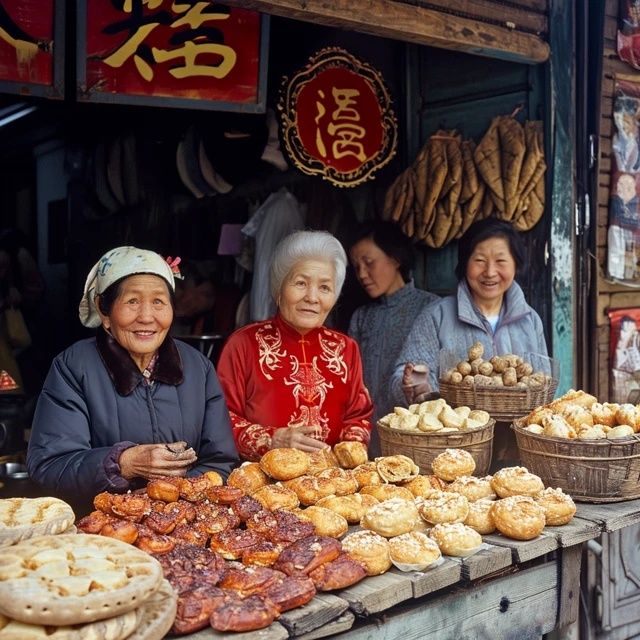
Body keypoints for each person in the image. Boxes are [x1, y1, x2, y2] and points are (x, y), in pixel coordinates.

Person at [27, 246, 239, 501]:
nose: (147, 317)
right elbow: (50, 467)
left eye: (159, 301)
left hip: (180, 525)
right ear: (104, 311)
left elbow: (220, 462)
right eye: (132, 301)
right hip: (100, 529)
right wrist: (123, 463)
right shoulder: (73, 367)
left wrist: (169, 501)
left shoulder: (198, 367)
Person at [217, 230, 373, 461]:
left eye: (324, 288)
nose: (312, 297)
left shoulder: (345, 348)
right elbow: (220, 418)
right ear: (279, 289)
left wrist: (347, 455)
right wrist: (272, 440)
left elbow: (358, 416)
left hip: (331, 487)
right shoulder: (243, 344)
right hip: (261, 485)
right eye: (301, 283)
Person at [392, 218, 548, 405]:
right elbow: (405, 374)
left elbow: (543, 384)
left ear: (516, 264)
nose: (490, 272)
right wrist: (416, 386)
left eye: (500, 261)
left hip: (515, 433)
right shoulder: (437, 316)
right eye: (480, 260)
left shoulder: (530, 321)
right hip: (457, 432)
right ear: (465, 263)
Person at [348, 220, 439, 454]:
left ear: (396, 258)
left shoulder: (430, 308)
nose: (362, 274)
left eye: (369, 263)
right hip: (365, 436)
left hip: (414, 437)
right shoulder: (361, 316)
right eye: (356, 266)